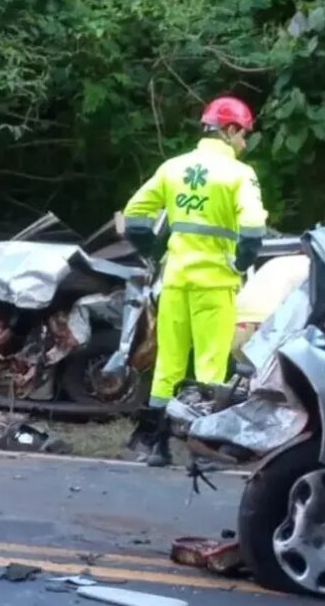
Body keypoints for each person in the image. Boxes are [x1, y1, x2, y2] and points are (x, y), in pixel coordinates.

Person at [122, 96, 268, 466]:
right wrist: (241, 262)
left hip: (175, 280)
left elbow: (135, 215)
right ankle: (200, 450)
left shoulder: (173, 168)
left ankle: (154, 444)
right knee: (210, 365)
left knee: (168, 363)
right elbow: (252, 231)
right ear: (230, 130)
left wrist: (154, 253)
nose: (244, 143)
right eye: (243, 134)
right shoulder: (239, 175)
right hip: (215, 283)